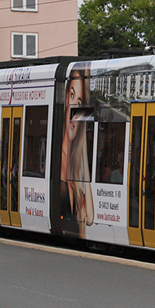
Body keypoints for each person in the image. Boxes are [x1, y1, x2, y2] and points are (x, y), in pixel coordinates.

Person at [59, 63, 94, 236]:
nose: (74, 109)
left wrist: (83, 154)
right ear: (65, 99)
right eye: (72, 96)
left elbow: (89, 218)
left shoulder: (78, 165)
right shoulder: (56, 158)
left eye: (79, 103)